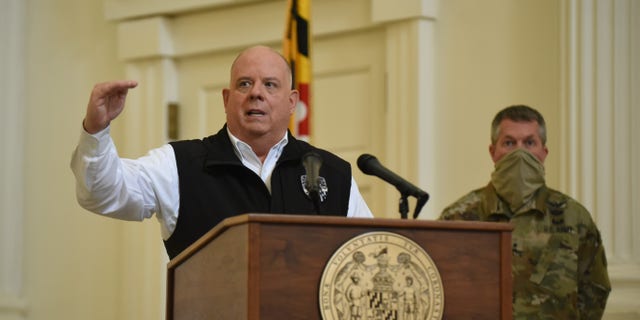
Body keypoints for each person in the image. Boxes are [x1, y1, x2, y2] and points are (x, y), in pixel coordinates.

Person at [71, 45, 373, 259]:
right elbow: (103, 193)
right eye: (245, 84)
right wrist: (96, 131)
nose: (256, 92)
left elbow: (368, 255)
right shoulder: (180, 165)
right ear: (227, 99)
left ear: (292, 102)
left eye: (270, 85)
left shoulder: (332, 173)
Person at [439, 105, 610, 319]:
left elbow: (595, 289)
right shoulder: (457, 218)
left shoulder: (574, 218)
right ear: (493, 152)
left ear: (543, 152)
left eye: (529, 143)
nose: (520, 153)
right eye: (509, 143)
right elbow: (441, 292)